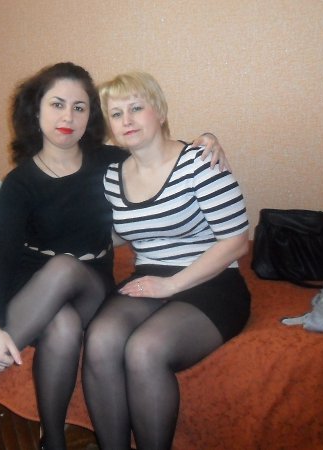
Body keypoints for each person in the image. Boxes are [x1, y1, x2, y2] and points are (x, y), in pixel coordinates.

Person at [0, 62, 228, 450]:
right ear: (36, 111)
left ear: (91, 116)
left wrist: (205, 140)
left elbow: (160, 153)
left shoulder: (109, 162)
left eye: (79, 107)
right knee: (63, 324)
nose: (68, 117)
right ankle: (52, 439)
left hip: (92, 279)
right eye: (57, 105)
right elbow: (2, 258)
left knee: (65, 268)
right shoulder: (19, 183)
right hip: (32, 283)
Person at [82, 72, 251, 450]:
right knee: (100, 340)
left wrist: (171, 285)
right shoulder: (112, 176)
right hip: (149, 274)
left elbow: (237, 242)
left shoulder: (200, 162)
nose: (127, 120)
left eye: (136, 108)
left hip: (213, 280)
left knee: (145, 350)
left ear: (159, 112)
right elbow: (124, 231)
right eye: (116, 114)